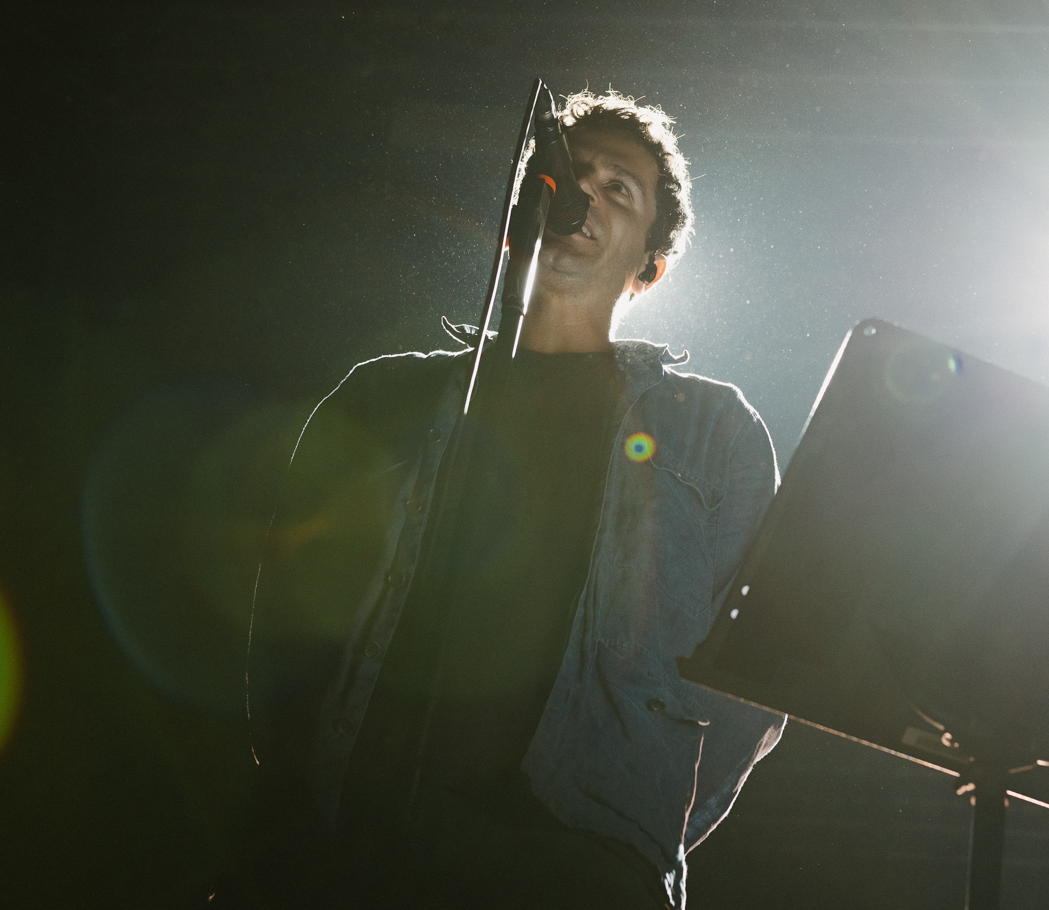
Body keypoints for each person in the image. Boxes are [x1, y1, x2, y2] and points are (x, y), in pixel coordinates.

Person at [238, 89, 785, 909]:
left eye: (618, 189)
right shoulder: (385, 397)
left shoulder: (712, 431)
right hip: (356, 843)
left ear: (649, 266)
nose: (584, 196)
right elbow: (285, 625)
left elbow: (754, 680)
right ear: (520, 205)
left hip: (570, 861)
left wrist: (631, 834)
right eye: (566, 174)